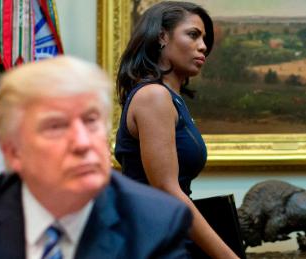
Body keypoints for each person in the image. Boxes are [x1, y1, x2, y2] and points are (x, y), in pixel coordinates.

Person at [0, 56, 193, 259]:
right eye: (56, 126)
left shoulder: (155, 225)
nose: (82, 142)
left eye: (91, 121)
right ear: (14, 152)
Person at [114, 2, 239, 259]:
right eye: (193, 35)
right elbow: (167, 190)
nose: (203, 46)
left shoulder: (171, 98)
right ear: (162, 36)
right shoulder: (154, 96)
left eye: (205, 38)